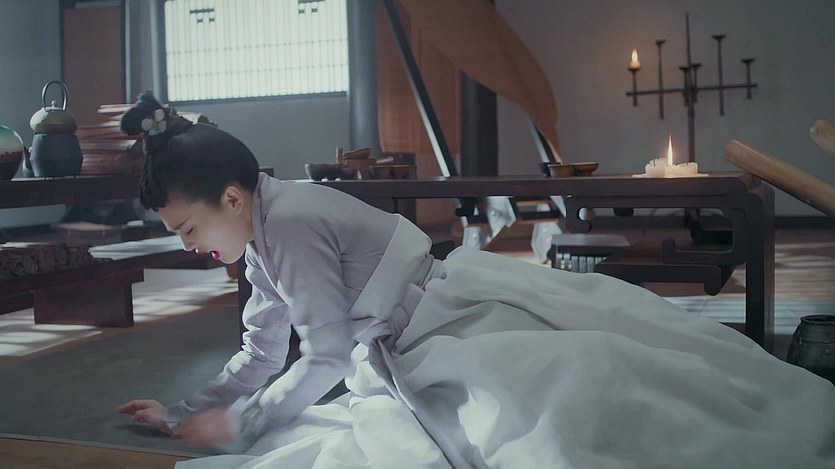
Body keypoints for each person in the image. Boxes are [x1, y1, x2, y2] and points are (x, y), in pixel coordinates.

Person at [117, 92, 835, 469]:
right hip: (416, 332)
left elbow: (325, 355)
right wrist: (184, 410)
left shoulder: (293, 223)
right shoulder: (264, 238)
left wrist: (242, 421)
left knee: (573, 406)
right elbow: (263, 349)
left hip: (449, 319)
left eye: (188, 227)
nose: (190, 244)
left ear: (231, 199)